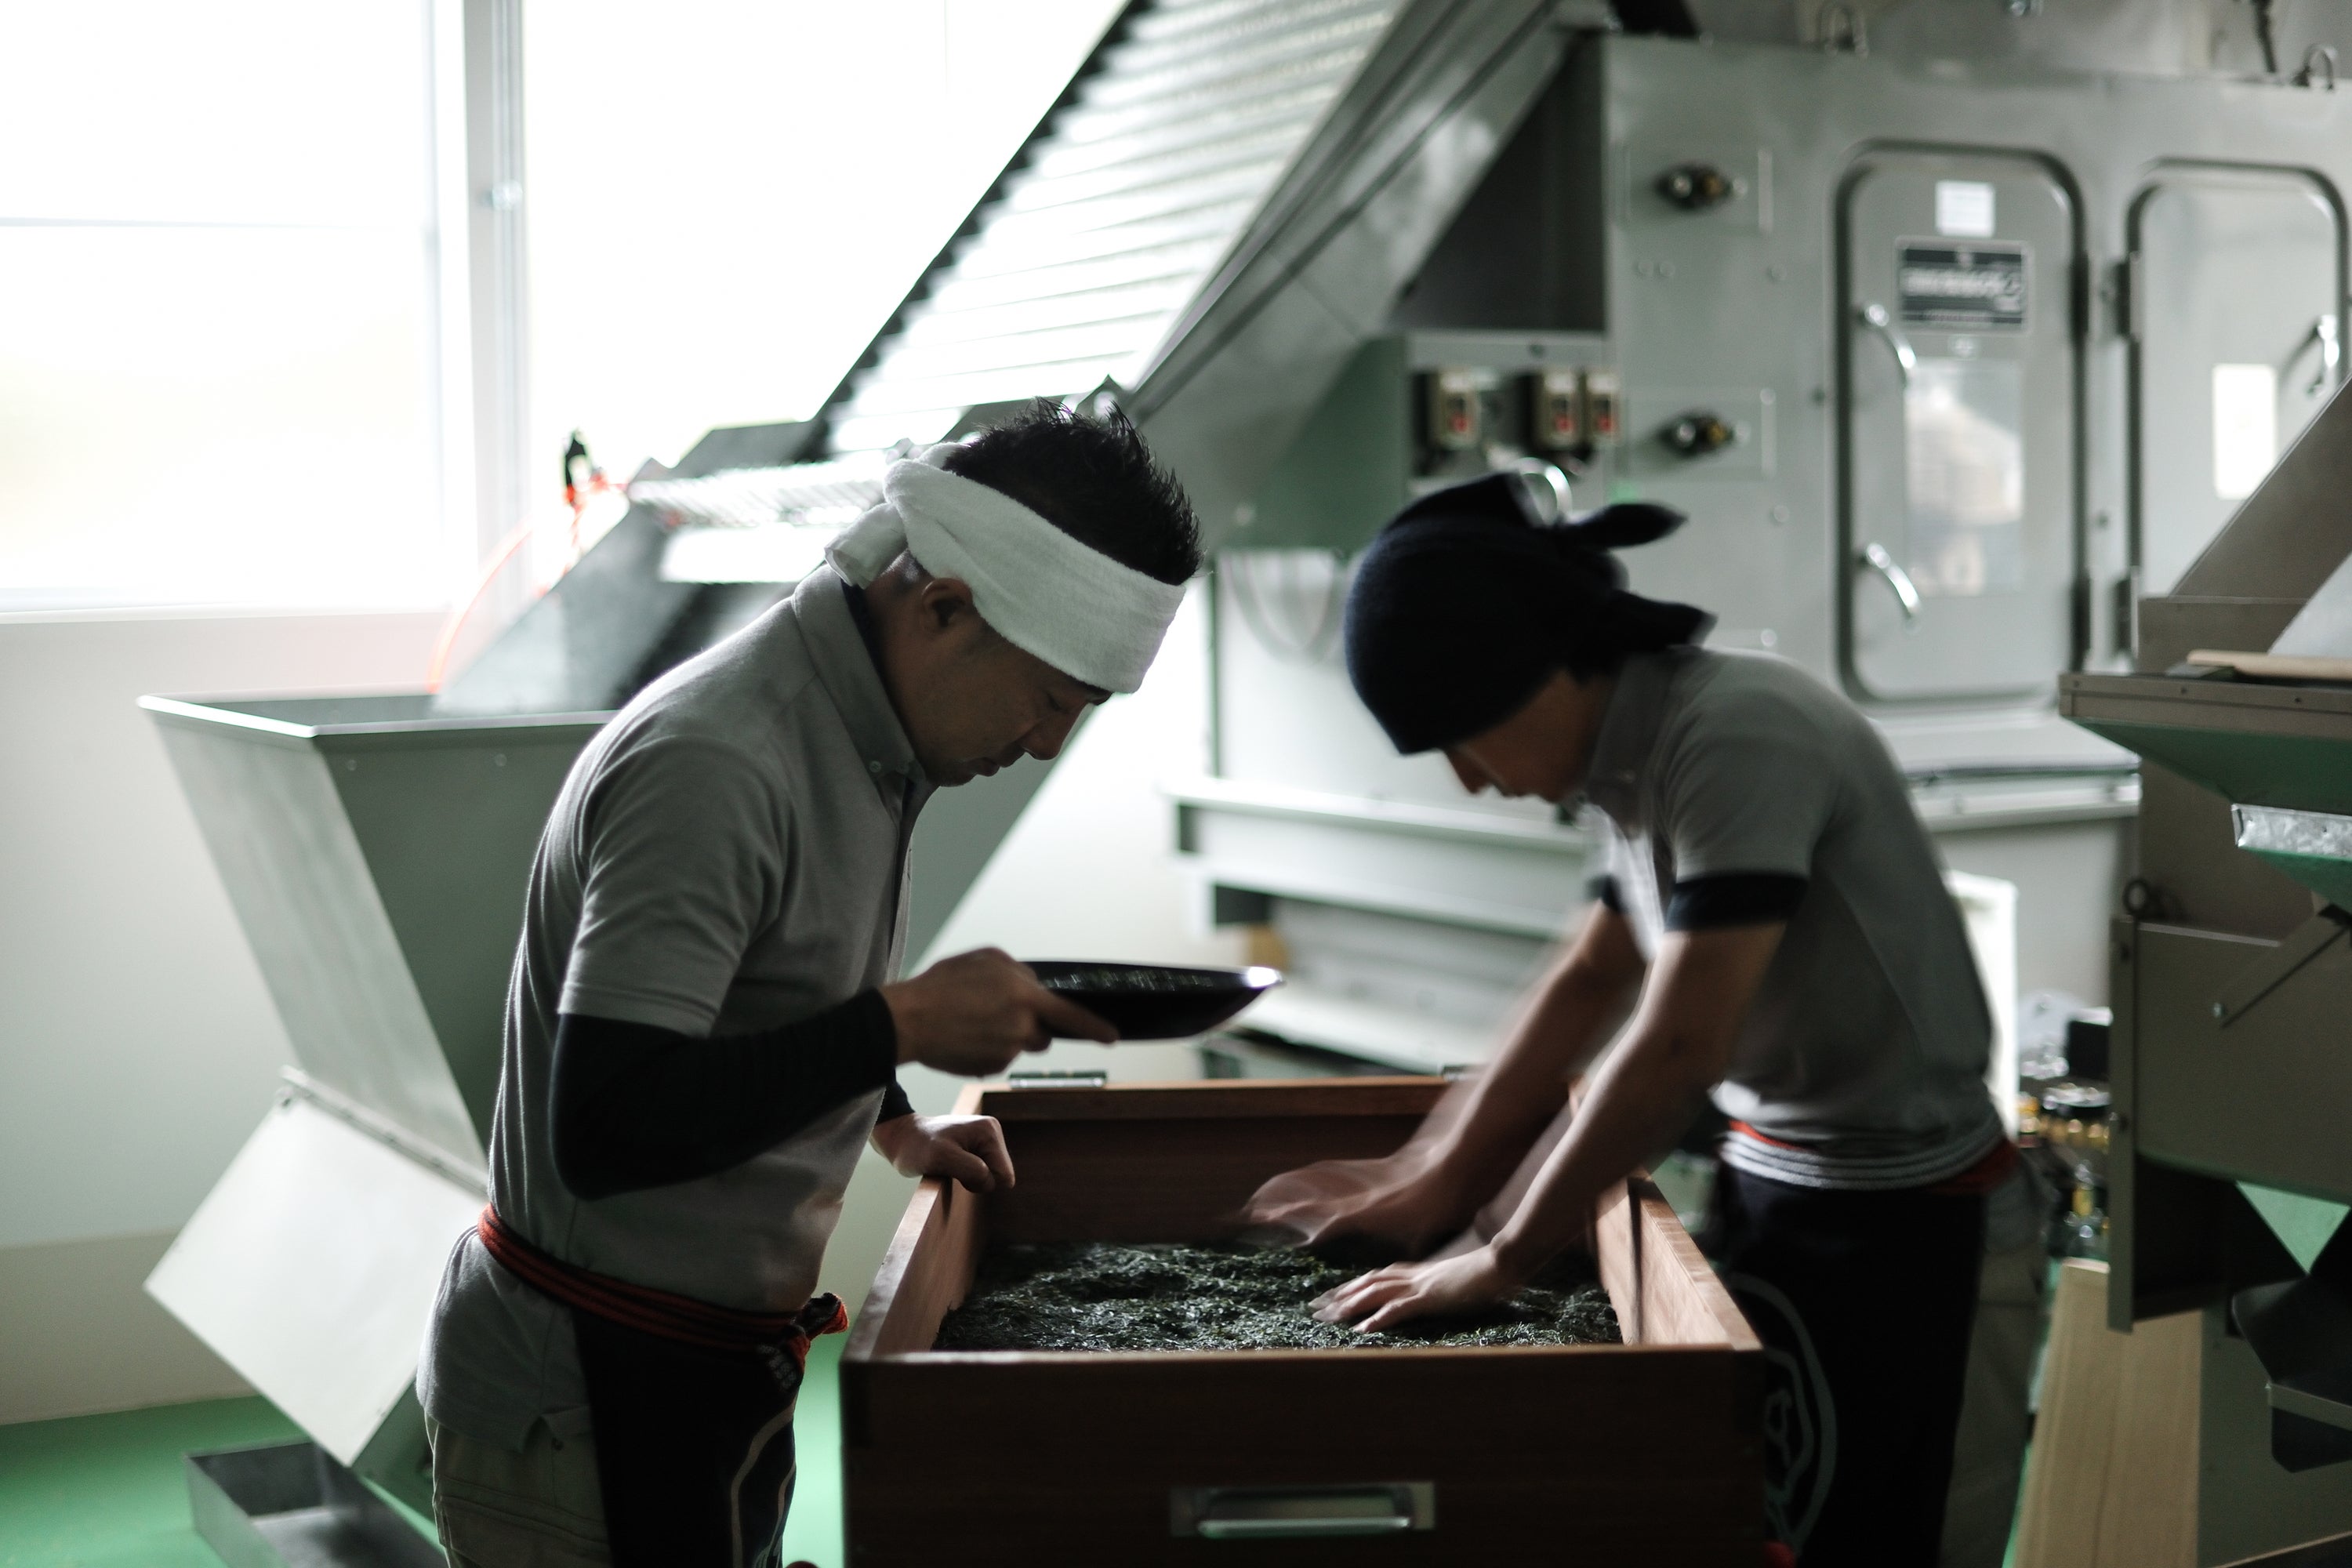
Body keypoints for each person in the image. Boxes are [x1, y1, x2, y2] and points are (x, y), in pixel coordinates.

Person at [417, 403, 1201, 1567]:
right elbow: (606, 1122)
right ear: (942, 608)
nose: (1043, 745)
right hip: (590, 1386)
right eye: (1047, 700)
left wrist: (891, 1117)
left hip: (705, 1363)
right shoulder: (718, 762)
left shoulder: (866, 741)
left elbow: (771, 984)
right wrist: (902, 1022)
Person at [1245, 473, 2015, 1565]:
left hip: (1918, 1215)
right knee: (1766, 1518)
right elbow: (1587, 977)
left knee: (1880, 1537)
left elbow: (1679, 1043)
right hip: (1777, 1179)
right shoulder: (1634, 757)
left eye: (1465, 738)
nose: (1470, 782)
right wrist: (1432, 1178)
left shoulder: (1737, 734)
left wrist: (1501, 1254)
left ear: (1547, 667)